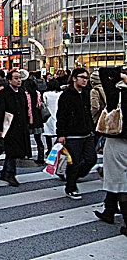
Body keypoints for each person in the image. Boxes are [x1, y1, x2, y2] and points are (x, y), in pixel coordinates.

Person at [94, 66, 127, 237]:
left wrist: (121, 73)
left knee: (118, 181)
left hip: (118, 141)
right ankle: (109, 209)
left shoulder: (117, 95)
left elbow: (103, 71)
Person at [56, 68, 96, 200]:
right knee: (74, 162)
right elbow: (61, 116)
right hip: (72, 135)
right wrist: (61, 134)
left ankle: (75, 176)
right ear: (74, 78)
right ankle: (70, 187)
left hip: (87, 133)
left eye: (86, 77)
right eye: (82, 77)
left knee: (91, 159)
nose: (85, 80)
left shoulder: (87, 93)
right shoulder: (66, 95)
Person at [0, 70, 31, 187]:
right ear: (9, 80)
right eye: (16, 78)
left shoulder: (21, 92)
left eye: (19, 78)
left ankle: (6, 172)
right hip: (8, 126)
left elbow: (25, 108)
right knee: (12, 151)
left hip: (20, 126)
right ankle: (10, 174)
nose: (19, 80)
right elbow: (0, 111)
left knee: (14, 151)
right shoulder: (4, 93)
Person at [24, 79, 45, 165]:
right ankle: (41, 157)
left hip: (28, 119)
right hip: (37, 119)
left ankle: (28, 154)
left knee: (27, 138)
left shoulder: (25, 94)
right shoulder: (38, 93)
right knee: (38, 139)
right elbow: (39, 105)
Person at [42, 79, 62, 157]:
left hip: (49, 115)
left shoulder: (46, 94)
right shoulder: (61, 93)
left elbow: (44, 104)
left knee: (48, 134)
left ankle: (49, 149)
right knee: (58, 133)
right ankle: (57, 148)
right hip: (58, 114)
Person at [90, 69, 107, 153]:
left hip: (98, 118)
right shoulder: (106, 89)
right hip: (106, 116)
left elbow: (95, 106)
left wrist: (91, 116)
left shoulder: (94, 91)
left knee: (94, 140)